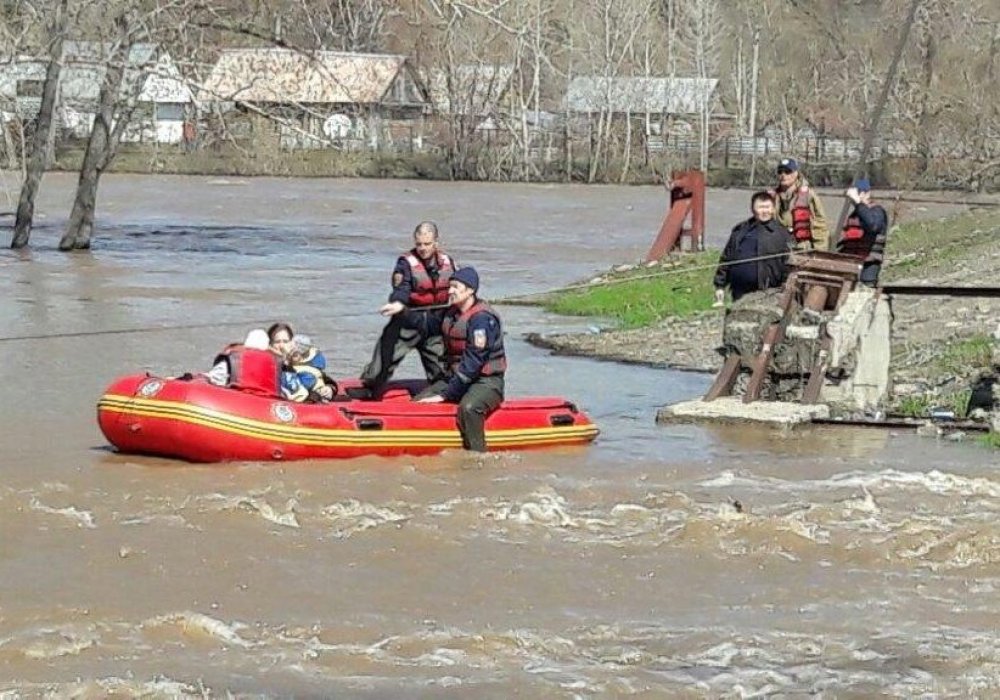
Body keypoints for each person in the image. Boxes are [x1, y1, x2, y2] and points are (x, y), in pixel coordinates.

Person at [354, 221, 456, 398]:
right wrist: (398, 303)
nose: (423, 248)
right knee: (381, 364)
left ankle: (440, 395)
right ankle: (369, 389)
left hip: (435, 326)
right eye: (419, 244)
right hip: (407, 323)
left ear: (436, 243)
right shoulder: (405, 263)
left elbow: (460, 285)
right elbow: (402, 287)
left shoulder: (448, 262)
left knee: (442, 371)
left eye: (427, 244)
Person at [416, 267, 506, 453]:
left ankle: (477, 455)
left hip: (486, 382)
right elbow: (425, 327)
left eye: (456, 287)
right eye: (450, 287)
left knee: (469, 408)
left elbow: (474, 361)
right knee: (420, 403)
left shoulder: (482, 319)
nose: (450, 291)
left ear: (470, 290)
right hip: (455, 377)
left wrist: (447, 394)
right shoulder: (450, 313)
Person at [713, 191, 793, 305]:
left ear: (773, 209)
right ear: (752, 208)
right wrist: (719, 285)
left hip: (768, 293)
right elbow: (726, 258)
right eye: (760, 207)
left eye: (767, 207)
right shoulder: (740, 230)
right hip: (739, 291)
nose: (764, 211)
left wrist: (785, 289)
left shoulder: (782, 234)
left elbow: (789, 266)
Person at [835, 178, 888, 287]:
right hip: (852, 264)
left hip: (869, 266)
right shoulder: (855, 215)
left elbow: (873, 226)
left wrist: (859, 204)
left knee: (865, 295)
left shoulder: (877, 211)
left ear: (865, 194)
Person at [203, 328, 284, 397]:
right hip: (264, 407)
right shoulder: (275, 364)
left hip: (236, 402)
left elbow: (214, 379)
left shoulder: (234, 357)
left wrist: (200, 377)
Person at [772, 157, 829, 251]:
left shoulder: (809, 195)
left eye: (787, 171)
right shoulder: (771, 197)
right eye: (780, 172)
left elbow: (820, 225)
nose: (783, 175)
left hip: (803, 248)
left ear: (796, 173)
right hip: (778, 248)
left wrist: (820, 250)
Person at [286, 334, 336, 402]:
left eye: (294, 354)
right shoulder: (289, 365)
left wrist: (330, 388)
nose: (290, 356)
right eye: (288, 353)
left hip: (313, 400)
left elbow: (299, 389)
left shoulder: (307, 372)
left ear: (303, 356)